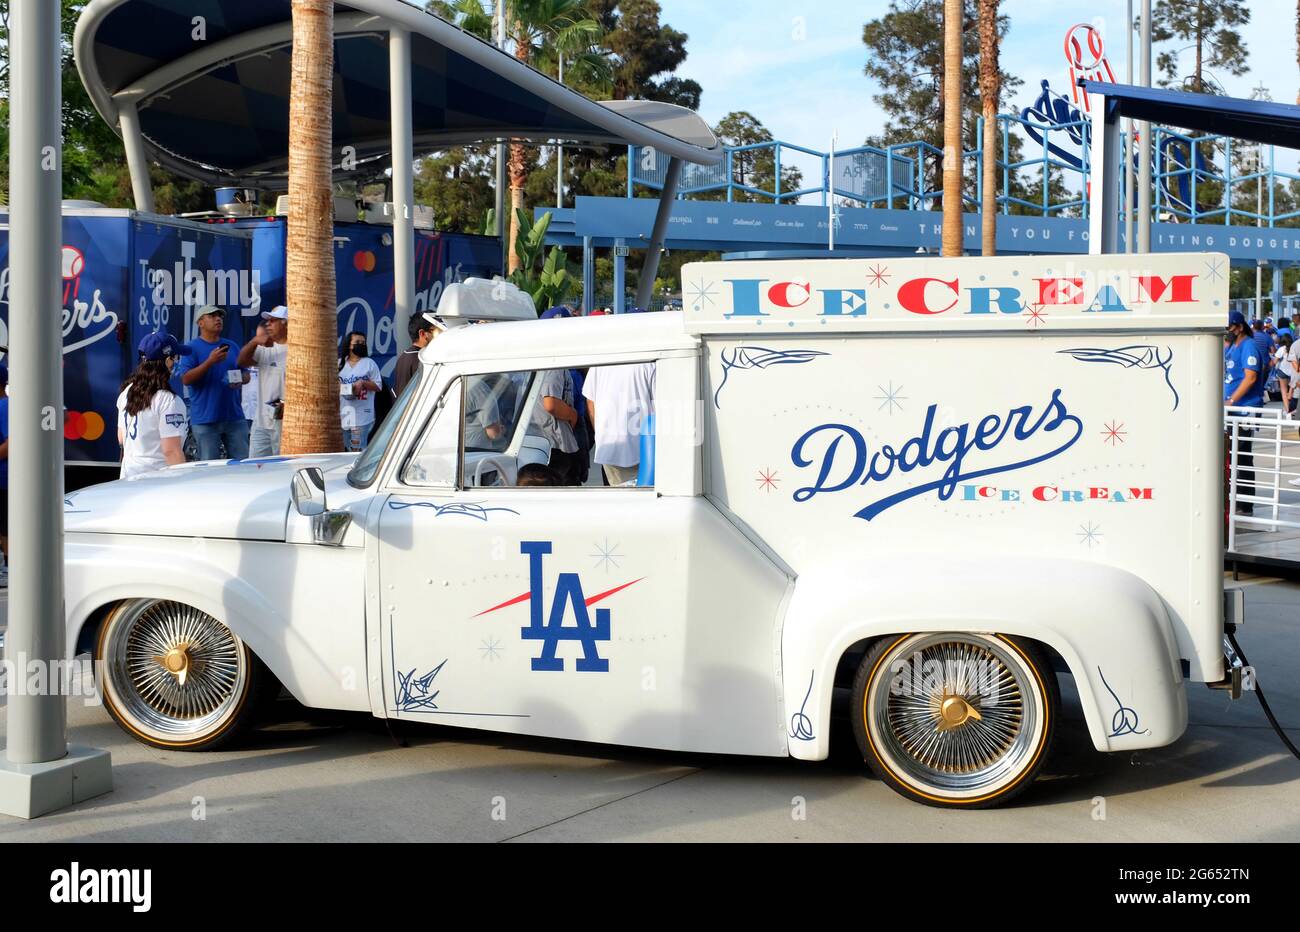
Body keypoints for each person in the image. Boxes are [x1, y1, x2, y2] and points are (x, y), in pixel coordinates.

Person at [176, 305, 250, 460]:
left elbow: (246, 374)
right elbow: (186, 379)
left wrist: (239, 379)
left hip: (234, 417)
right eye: (212, 316)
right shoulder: (191, 348)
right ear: (200, 323)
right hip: (205, 419)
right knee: (209, 469)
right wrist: (210, 361)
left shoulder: (232, 345)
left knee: (243, 466)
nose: (218, 319)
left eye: (220, 316)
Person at [117, 332, 192, 479]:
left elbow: (121, 438)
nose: (178, 361)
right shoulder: (168, 400)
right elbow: (171, 451)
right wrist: (183, 485)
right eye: (176, 357)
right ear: (168, 361)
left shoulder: (127, 391)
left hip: (128, 478)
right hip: (157, 483)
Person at [582, 361, 655, 486]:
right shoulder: (649, 364)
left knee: (615, 502)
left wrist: (600, 433)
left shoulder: (599, 363)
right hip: (643, 452)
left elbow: (590, 401)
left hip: (609, 449)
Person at [1225, 310, 1265, 516]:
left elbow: (1250, 378)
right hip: (1231, 410)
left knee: (1242, 456)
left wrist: (1231, 400)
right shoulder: (1232, 346)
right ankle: (1234, 498)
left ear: (1239, 327)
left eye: (1230, 328)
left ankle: (1245, 502)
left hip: (1244, 408)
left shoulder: (1248, 346)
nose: (1227, 332)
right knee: (1230, 456)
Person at [238, 306, 289, 457]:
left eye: (273, 320)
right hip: (260, 421)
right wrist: (254, 342)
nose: (268, 324)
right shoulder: (264, 348)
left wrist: (289, 405)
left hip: (284, 422)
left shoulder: (298, 349)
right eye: (267, 321)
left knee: (282, 467)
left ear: (285, 323)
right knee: (255, 467)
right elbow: (241, 362)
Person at [338, 330, 383, 451]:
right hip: (344, 413)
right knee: (345, 450)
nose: (361, 345)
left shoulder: (369, 363)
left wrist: (363, 383)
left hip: (362, 414)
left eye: (363, 342)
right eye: (357, 342)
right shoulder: (340, 364)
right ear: (349, 345)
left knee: (357, 450)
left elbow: (378, 386)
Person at [394, 314, 438, 396]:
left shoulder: (403, 357)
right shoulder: (422, 360)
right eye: (435, 331)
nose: (439, 336)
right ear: (422, 333)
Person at [0, 365, 8, 587]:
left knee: (5, 525)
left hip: (5, 477)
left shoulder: (6, 406)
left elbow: (11, 444)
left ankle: (8, 567)